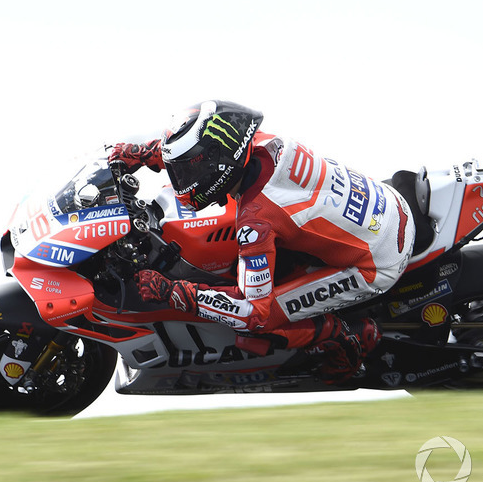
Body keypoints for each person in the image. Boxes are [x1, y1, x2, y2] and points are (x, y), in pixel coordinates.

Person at [108, 100, 414, 383]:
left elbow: (252, 312)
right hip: (387, 207)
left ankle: (346, 338)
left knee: (257, 329)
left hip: (377, 261)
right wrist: (147, 152)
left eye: (188, 169)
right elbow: (211, 149)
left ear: (220, 162)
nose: (182, 178)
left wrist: (174, 292)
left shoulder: (258, 219)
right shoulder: (262, 143)